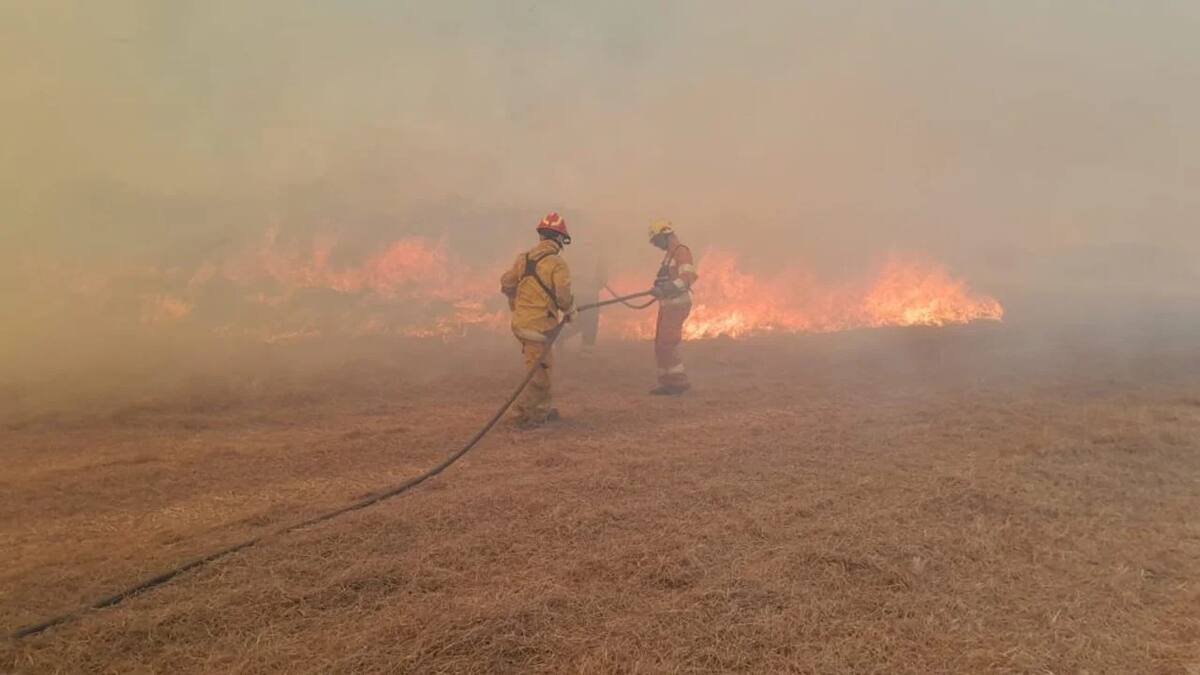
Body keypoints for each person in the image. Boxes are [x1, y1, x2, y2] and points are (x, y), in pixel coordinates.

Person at [500, 212, 576, 428]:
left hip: (521, 322)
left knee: (541, 366)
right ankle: (526, 415)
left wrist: (516, 303)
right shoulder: (557, 264)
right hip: (539, 326)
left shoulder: (523, 258)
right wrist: (571, 310)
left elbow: (506, 283)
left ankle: (542, 408)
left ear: (542, 236)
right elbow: (562, 297)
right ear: (560, 239)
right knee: (539, 373)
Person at [647, 220, 698, 395]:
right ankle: (668, 382)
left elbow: (688, 276)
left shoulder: (681, 251)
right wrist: (658, 287)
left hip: (677, 305)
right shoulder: (669, 255)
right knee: (660, 344)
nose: (656, 245)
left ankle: (678, 382)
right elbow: (666, 278)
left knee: (667, 343)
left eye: (656, 240)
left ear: (664, 235)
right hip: (667, 305)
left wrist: (669, 287)